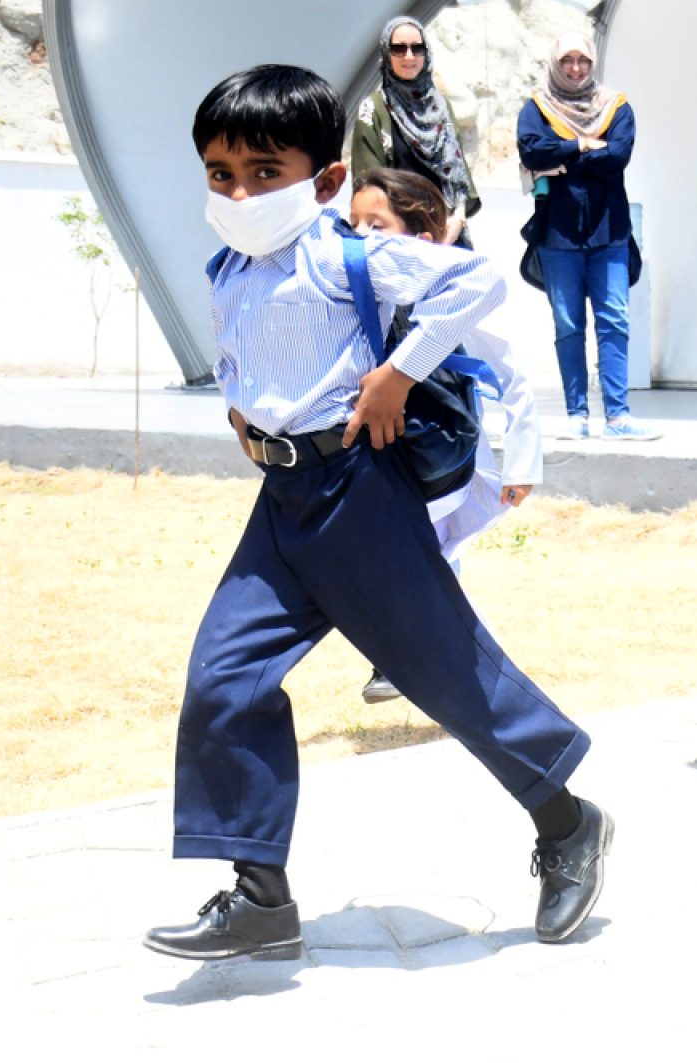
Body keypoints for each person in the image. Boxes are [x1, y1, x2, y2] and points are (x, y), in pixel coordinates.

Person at [146, 65, 611, 962]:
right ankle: (259, 896)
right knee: (223, 677)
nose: (239, 195)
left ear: (325, 179)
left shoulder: (343, 252)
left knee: (445, 673)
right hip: (282, 499)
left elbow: (473, 284)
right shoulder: (228, 265)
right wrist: (242, 411)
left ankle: (569, 823)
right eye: (221, 174)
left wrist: (399, 373)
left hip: (360, 492)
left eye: (264, 172)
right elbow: (243, 354)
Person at [347, 167, 540, 707]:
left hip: (443, 457)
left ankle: (439, 669)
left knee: (426, 557)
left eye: (377, 226)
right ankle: (429, 665)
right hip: (384, 455)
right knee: (411, 558)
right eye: (353, 224)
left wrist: (522, 463)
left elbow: (511, 376)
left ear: (424, 242)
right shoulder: (349, 294)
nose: (361, 238)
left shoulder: (451, 298)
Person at [517, 32, 661, 442]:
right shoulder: (537, 107)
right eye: (567, 60)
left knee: (614, 319)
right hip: (558, 232)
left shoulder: (615, 105)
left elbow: (618, 156)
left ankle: (618, 416)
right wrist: (582, 144)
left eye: (582, 60)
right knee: (568, 324)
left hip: (609, 229)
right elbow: (531, 150)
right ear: (555, 63)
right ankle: (576, 414)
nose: (576, 68)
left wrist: (562, 155)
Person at [350, 16, 478, 244]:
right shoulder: (373, 111)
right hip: (397, 239)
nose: (409, 56)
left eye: (417, 48)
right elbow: (368, 184)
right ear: (386, 54)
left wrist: (457, 219)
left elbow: (458, 175)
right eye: (399, 49)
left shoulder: (440, 107)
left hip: (447, 233)